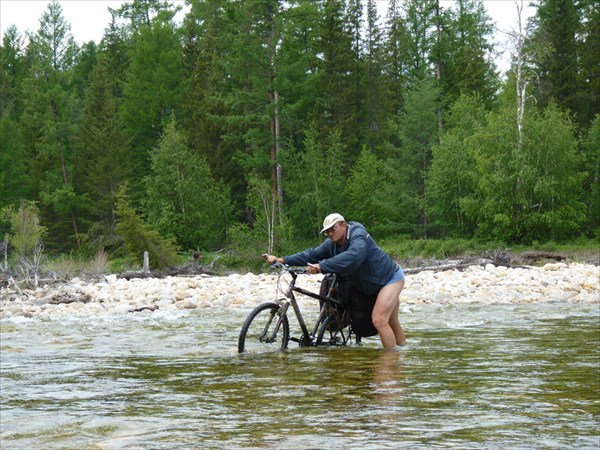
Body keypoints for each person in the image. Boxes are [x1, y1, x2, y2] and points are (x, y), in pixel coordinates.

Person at [262, 213, 406, 350]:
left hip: (389, 279)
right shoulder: (332, 244)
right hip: (369, 284)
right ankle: (403, 354)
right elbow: (311, 254)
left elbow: (354, 257)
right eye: (327, 231)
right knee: (392, 322)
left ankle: (390, 362)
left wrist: (321, 266)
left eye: (333, 229)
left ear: (343, 225)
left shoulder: (358, 235)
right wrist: (283, 259)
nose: (330, 233)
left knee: (380, 320)